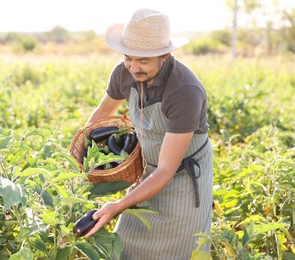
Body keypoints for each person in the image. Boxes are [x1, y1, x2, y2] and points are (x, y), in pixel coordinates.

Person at [83, 8, 213, 259]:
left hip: (184, 177)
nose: (134, 67)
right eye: (129, 57)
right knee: (128, 241)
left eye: (143, 60)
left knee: (180, 249)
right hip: (147, 172)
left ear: (164, 55)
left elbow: (166, 171)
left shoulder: (184, 91)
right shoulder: (123, 72)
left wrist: (119, 205)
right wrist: (81, 156)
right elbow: (101, 115)